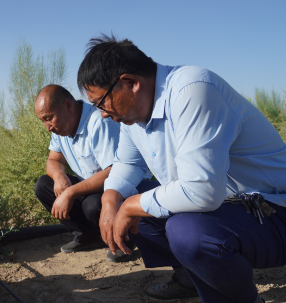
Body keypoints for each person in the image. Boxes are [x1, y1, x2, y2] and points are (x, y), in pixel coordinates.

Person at [76, 34, 286, 303]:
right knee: (135, 193)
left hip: (272, 211)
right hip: (230, 209)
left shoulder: (193, 90)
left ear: (130, 83)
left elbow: (203, 191)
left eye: (101, 102)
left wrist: (129, 206)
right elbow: (127, 163)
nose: (102, 113)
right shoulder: (134, 117)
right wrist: (110, 199)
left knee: (185, 230)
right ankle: (191, 279)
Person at [33, 84, 157, 262]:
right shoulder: (61, 128)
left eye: (48, 118)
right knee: (44, 185)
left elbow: (115, 172)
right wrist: (59, 176)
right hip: (92, 186)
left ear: (68, 106)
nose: (48, 127)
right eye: (43, 121)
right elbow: (53, 161)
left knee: (92, 204)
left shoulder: (99, 122)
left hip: (125, 188)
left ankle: (123, 240)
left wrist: (70, 192)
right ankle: (89, 236)